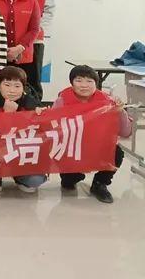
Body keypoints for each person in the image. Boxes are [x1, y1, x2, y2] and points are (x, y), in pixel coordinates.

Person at [56, 65, 133, 204]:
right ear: (72, 83)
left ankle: (100, 183)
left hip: (97, 145)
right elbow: (52, 127)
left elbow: (125, 132)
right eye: (79, 80)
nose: (84, 85)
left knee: (117, 153)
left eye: (89, 81)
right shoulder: (62, 101)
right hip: (72, 146)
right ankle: (72, 176)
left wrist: (120, 112)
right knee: (68, 182)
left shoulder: (107, 102)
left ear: (96, 84)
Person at [0, 66, 48, 198]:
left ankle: (20, 177)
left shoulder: (31, 102)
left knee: (35, 180)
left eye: (17, 86)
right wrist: (7, 114)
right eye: (7, 85)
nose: (12, 90)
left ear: (23, 88)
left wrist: (42, 116)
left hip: (20, 152)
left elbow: (41, 135)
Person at [20, 0, 55, 89]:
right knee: (14, 74)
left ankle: (35, 100)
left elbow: (50, 11)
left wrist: (37, 28)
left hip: (36, 40)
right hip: (16, 38)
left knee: (34, 75)